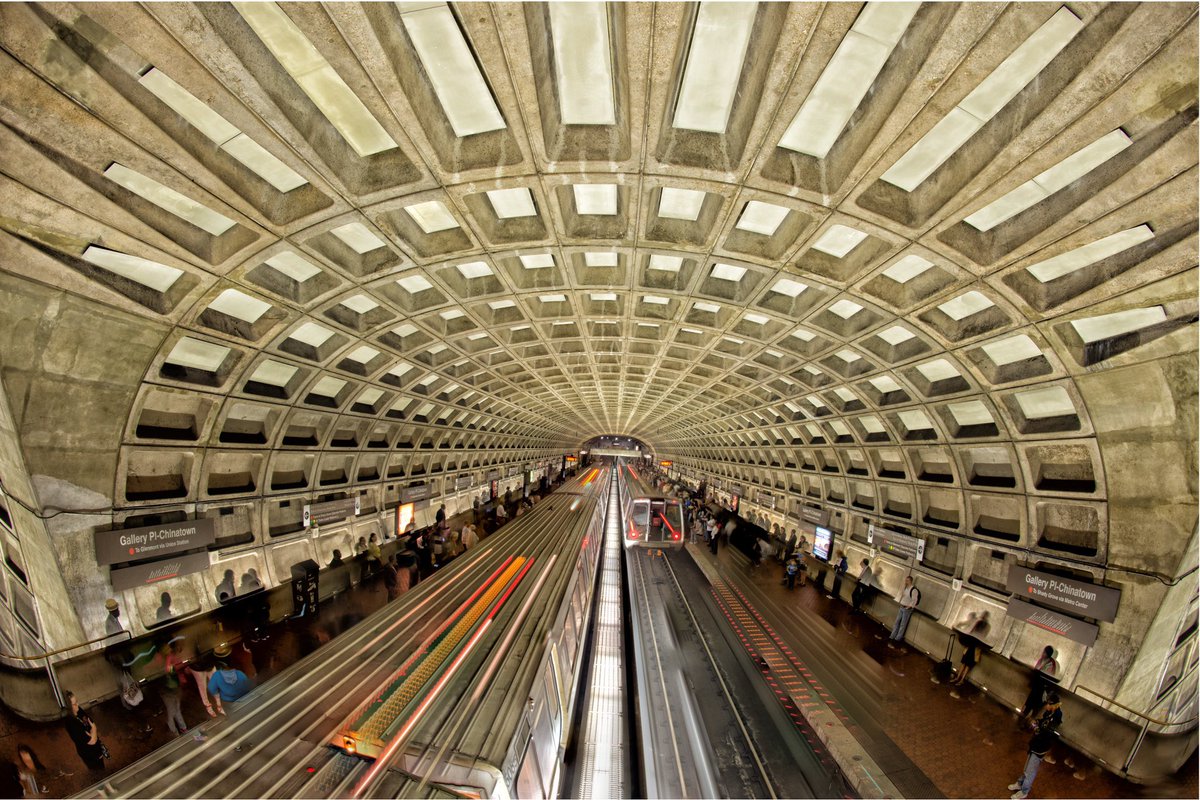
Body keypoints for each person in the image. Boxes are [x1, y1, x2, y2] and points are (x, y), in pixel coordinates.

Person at [1009, 692, 1063, 799]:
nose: (1046, 705)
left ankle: (1024, 791)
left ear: (1054, 704)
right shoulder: (1048, 712)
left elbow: (1050, 732)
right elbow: (1042, 722)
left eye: (1048, 703)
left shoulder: (1057, 716)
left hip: (1041, 747)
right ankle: (1020, 783)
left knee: (1031, 770)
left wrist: (1037, 729)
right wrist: (1035, 722)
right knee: (1026, 767)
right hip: (1035, 743)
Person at [950, 611, 991, 697]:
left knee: (966, 664)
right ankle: (958, 678)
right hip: (973, 646)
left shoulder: (981, 623)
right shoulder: (984, 625)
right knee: (964, 663)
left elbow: (971, 630)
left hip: (973, 646)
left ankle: (961, 679)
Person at [63, 691, 106, 771]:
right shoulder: (71, 724)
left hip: (95, 749)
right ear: (69, 707)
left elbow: (92, 723)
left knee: (101, 765)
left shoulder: (78, 711)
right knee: (97, 769)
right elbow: (92, 741)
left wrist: (93, 730)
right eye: (74, 704)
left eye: (77, 702)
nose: (78, 705)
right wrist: (93, 730)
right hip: (88, 753)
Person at [1019, 646, 1061, 726]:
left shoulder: (1052, 663)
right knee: (1028, 706)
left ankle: (1028, 724)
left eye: (1044, 652)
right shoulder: (1041, 660)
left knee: (1035, 709)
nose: (1042, 654)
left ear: (1048, 654)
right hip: (1036, 687)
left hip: (1042, 689)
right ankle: (1021, 721)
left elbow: (1047, 676)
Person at [158, 641, 190, 736]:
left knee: (175, 710)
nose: (170, 649)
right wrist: (176, 667)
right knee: (172, 712)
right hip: (168, 690)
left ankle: (181, 729)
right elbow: (170, 670)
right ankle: (175, 732)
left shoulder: (164, 658)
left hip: (172, 689)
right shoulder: (165, 659)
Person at [888, 576, 921, 648]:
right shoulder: (906, 588)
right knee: (897, 622)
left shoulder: (913, 590)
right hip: (902, 607)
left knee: (902, 625)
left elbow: (914, 600)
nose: (906, 582)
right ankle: (892, 636)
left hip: (906, 609)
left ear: (911, 581)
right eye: (905, 580)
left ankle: (897, 639)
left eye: (907, 580)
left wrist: (908, 607)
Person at [187, 652, 223, 717]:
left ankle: (218, 704)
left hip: (208, 663)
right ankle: (209, 706)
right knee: (202, 687)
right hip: (197, 666)